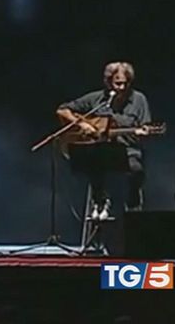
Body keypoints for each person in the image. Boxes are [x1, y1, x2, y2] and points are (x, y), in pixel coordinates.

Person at [56, 61, 152, 220]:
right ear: (108, 82)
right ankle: (100, 201)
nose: (122, 87)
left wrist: (143, 133)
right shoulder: (98, 99)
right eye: (118, 83)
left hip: (127, 150)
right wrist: (83, 125)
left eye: (126, 83)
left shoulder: (139, 100)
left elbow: (145, 127)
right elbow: (62, 110)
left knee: (136, 170)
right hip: (99, 150)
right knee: (92, 160)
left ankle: (132, 203)